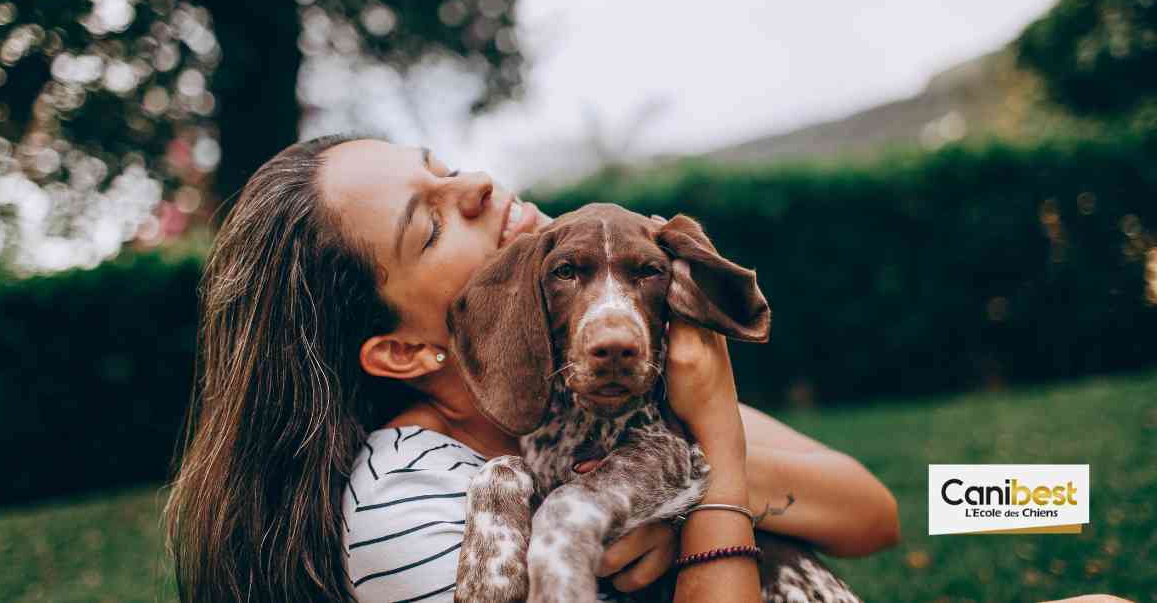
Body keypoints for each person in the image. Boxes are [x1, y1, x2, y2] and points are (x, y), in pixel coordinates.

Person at [164, 134, 900, 603]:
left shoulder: (605, 403)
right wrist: (711, 472)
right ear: (405, 351)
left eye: (443, 167)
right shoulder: (407, 502)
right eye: (431, 223)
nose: (479, 182)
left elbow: (874, 513)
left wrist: (689, 483)